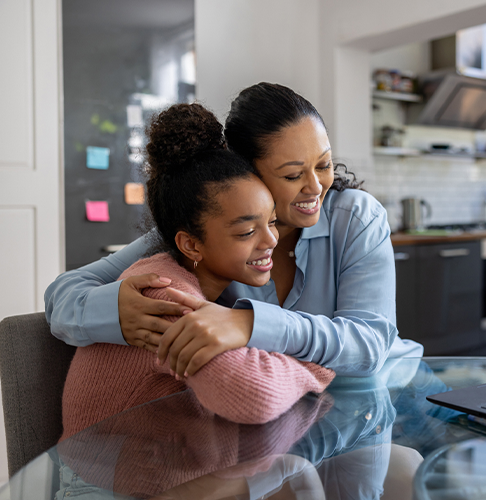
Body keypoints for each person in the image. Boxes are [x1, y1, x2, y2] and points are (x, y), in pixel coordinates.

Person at [45, 83, 423, 377]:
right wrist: (118, 313)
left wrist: (247, 324)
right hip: (297, 421)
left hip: (393, 394)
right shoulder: (207, 235)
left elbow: (369, 345)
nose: (316, 186)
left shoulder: (355, 218)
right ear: (248, 173)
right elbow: (63, 293)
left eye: (323, 165)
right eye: (293, 174)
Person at [60, 103, 335, 441]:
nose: (271, 241)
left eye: (272, 222)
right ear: (190, 245)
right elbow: (255, 397)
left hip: (172, 471)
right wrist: (317, 368)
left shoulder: (197, 279)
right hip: (105, 486)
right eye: (247, 232)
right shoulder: (165, 297)